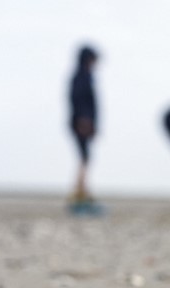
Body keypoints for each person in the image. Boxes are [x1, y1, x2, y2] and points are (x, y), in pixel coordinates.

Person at [69, 45, 99, 204]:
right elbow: (78, 98)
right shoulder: (82, 76)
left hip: (82, 121)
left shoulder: (84, 76)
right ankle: (80, 191)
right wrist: (84, 120)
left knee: (85, 156)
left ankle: (81, 189)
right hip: (81, 122)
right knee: (84, 156)